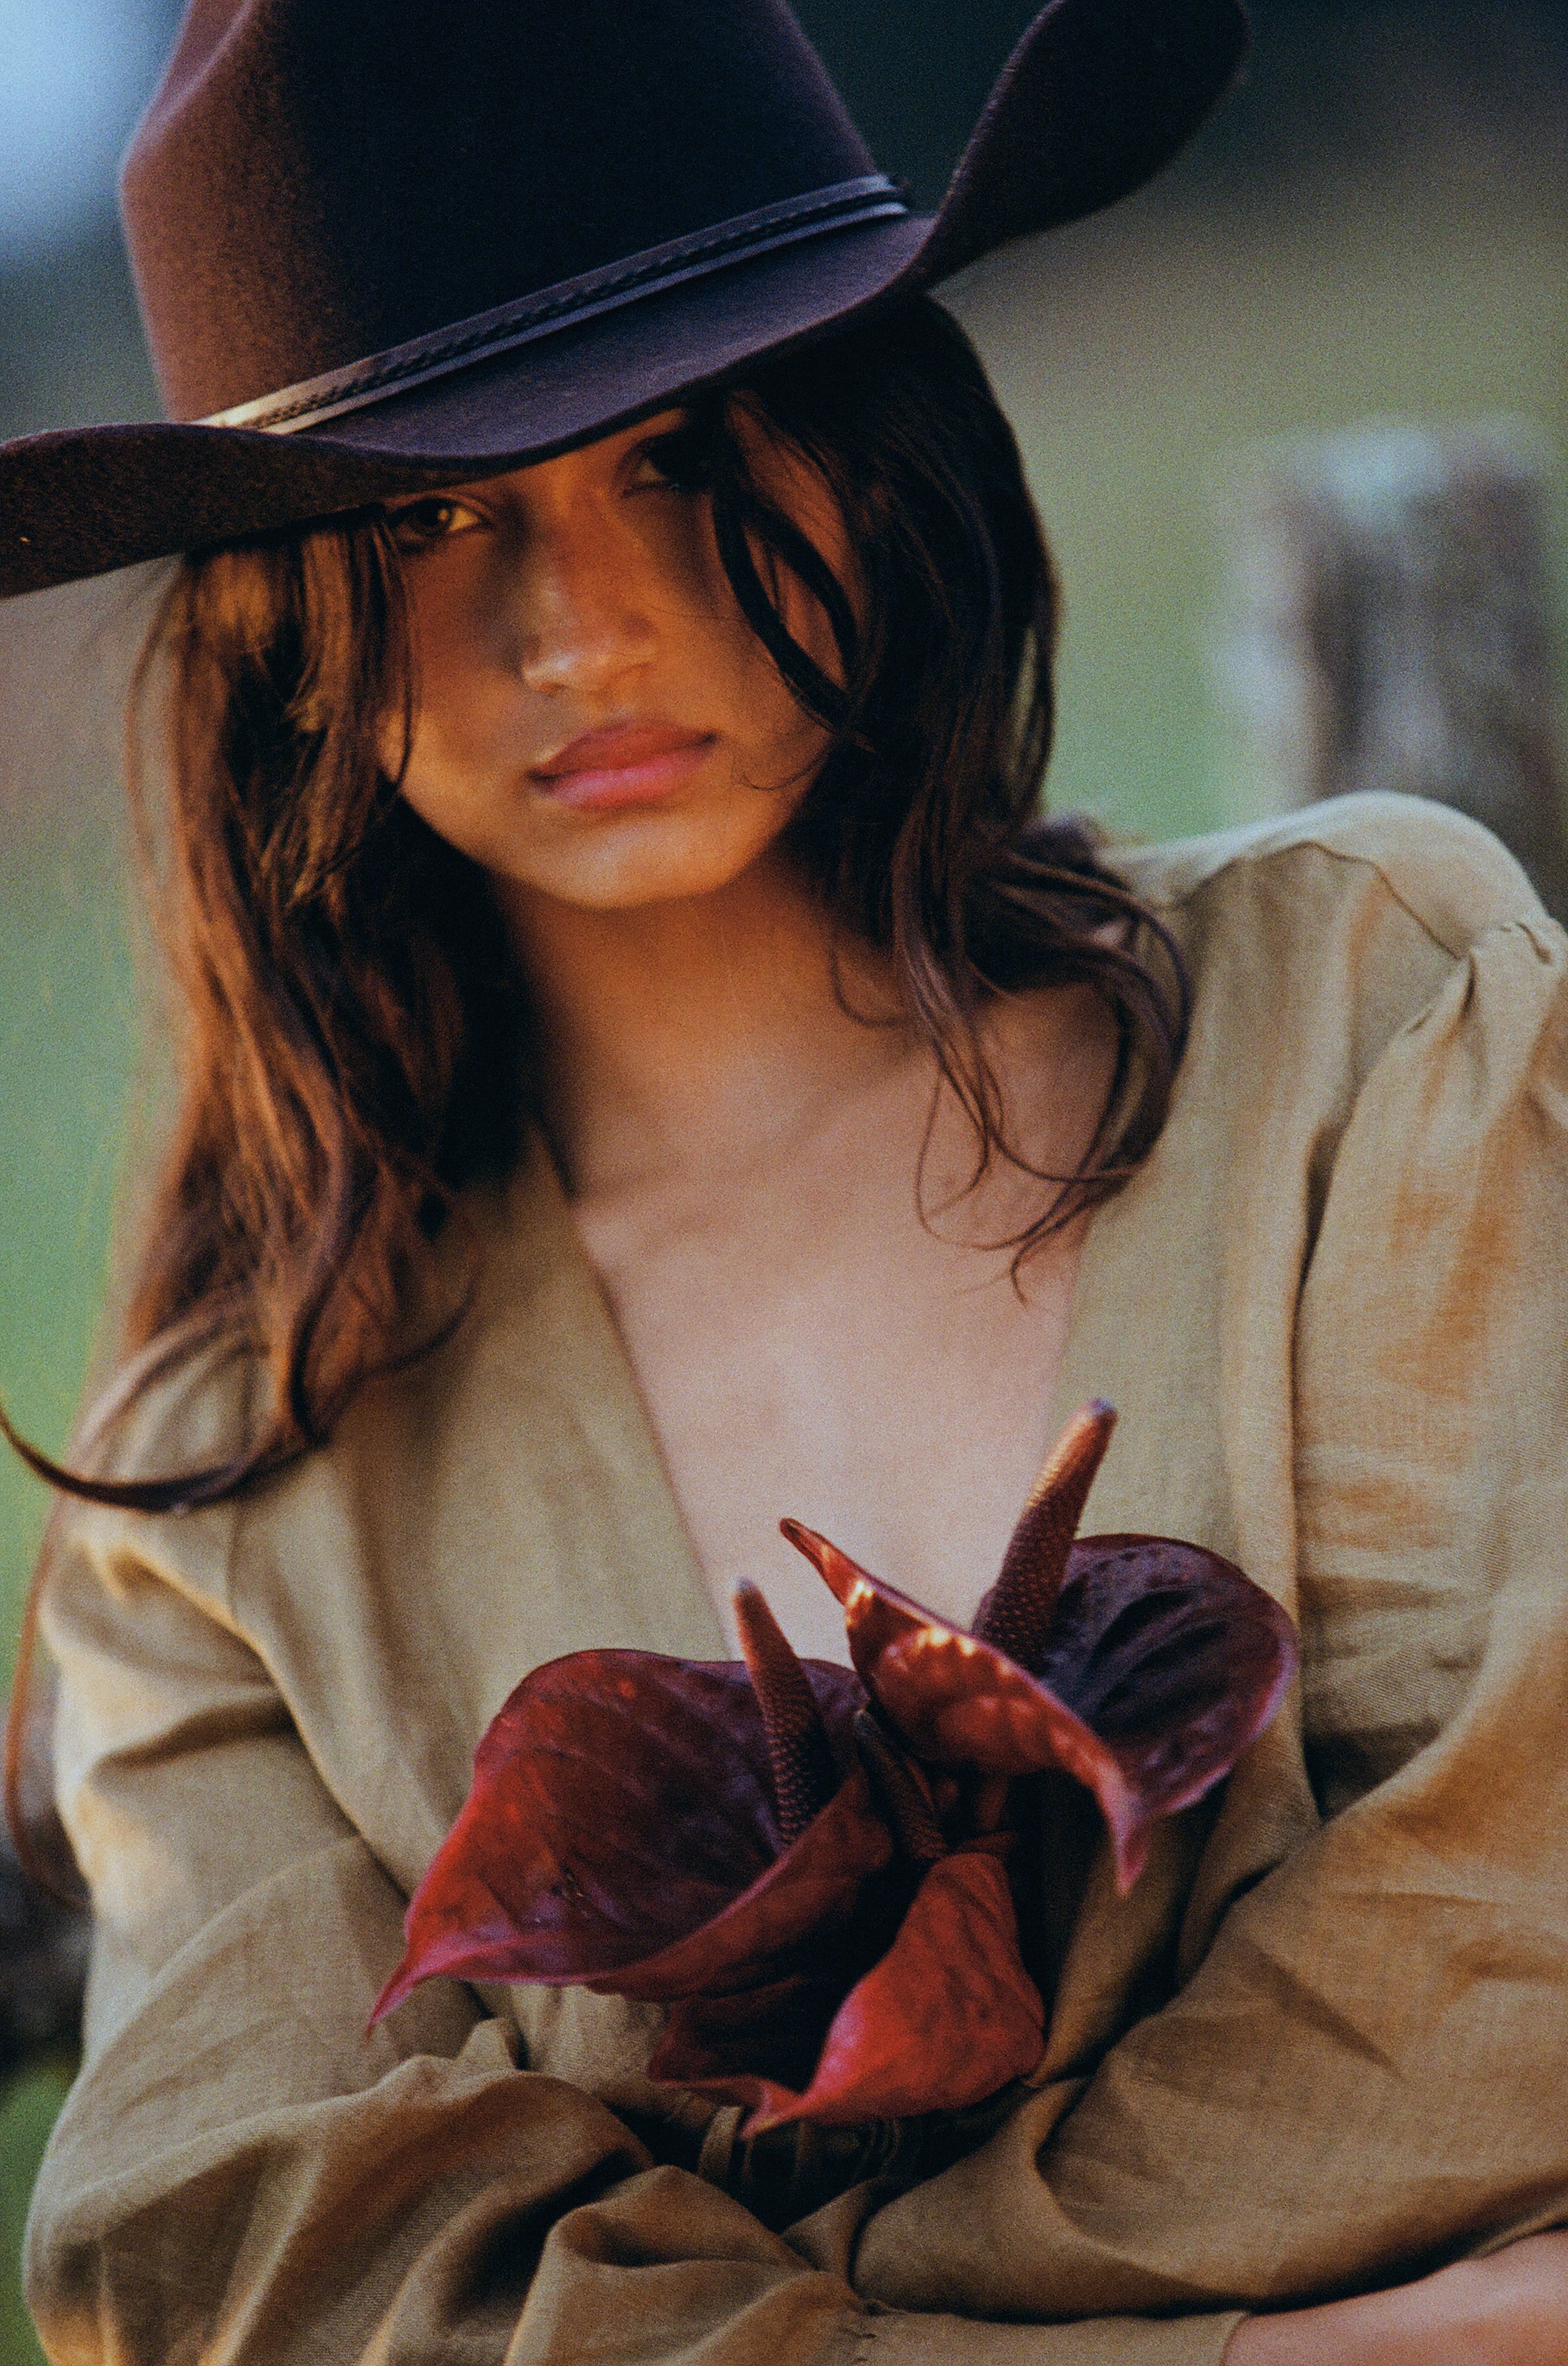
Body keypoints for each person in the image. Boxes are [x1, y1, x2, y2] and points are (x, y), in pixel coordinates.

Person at [3, 1, 1567, 2359]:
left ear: (871, 437)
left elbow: (1517, 1944)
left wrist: (760, 2304)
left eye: (690, 445)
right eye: (431, 513)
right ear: (286, 621)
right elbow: (270, 2273)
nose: (583, 625)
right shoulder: (224, 1509)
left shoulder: (1366, 1017)